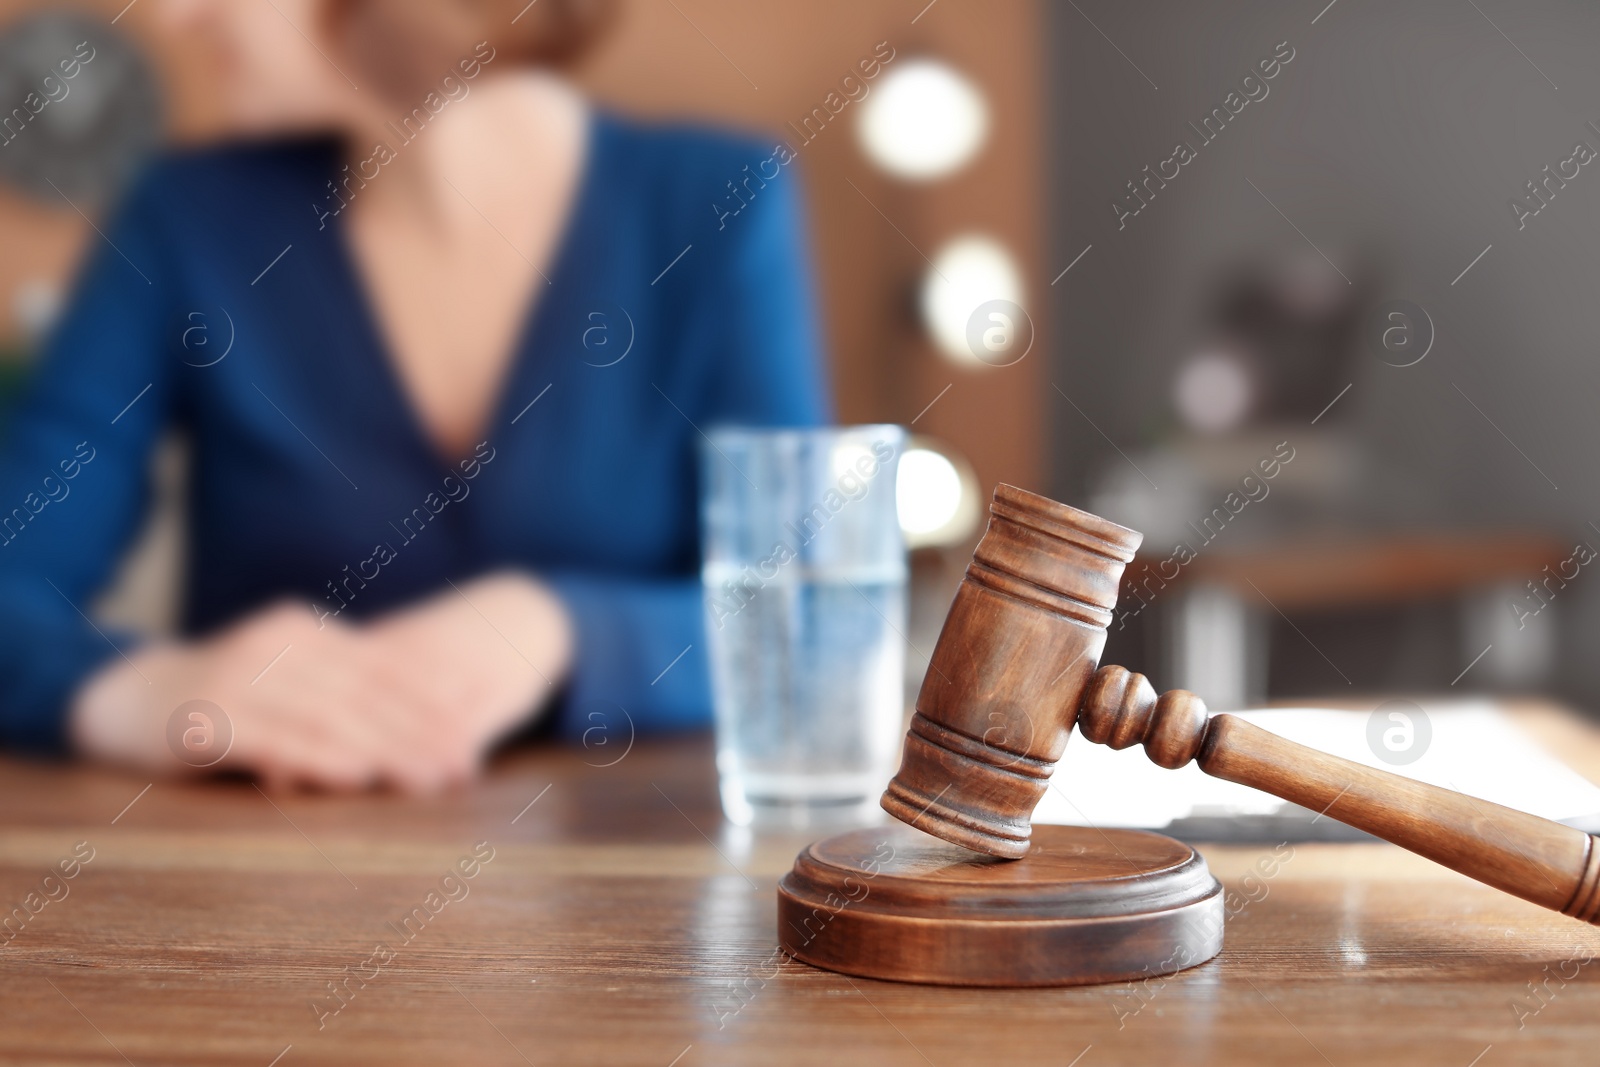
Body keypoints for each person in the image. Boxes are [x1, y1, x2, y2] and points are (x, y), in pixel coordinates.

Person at [0, 0, 828, 790]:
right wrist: (148, 691)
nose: (177, 16)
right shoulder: (184, 219)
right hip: (265, 886)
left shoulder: (718, 203)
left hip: (646, 892)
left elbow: (812, 621)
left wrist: (559, 631)